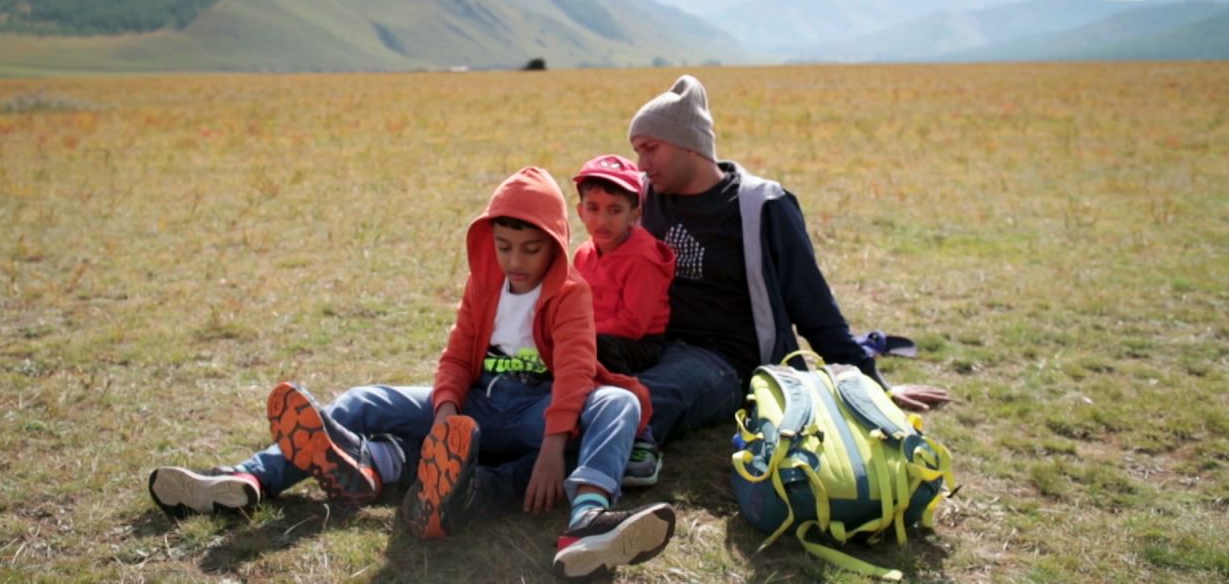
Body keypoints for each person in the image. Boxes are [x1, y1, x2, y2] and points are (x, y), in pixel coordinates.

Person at [148, 167, 677, 581]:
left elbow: (576, 371)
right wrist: (444, 420)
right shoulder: (484, 286)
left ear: (556, 244)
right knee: (364, 399)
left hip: (534, 414)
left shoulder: (570, 293)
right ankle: (249, 478)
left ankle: (585, 523)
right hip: (475, 406)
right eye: (504, 246)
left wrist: (550, 447)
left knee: (618, 404)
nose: (516, 260)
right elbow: (455, 357)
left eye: (532, 249)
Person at [627, 75, 950, 445]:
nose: (642, 163)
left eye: (650, 148)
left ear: (690, 145)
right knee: (576, 383)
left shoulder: (761, 205)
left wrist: (873, 385)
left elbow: (812, 304)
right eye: (637, 151)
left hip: (726, 363)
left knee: (639, 401)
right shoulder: (643, 198)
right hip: (648, 345)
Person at [570, 154, 675, 486]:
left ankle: (642, 434)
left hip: (639, 342)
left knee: (600, 349)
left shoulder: (643, 257)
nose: (602, 219)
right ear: (580, 210)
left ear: (635, 214)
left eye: (615, 210)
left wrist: (582, 335)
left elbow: (634, 323)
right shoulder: (584, 253)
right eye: (593, 207)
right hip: (594, 335)